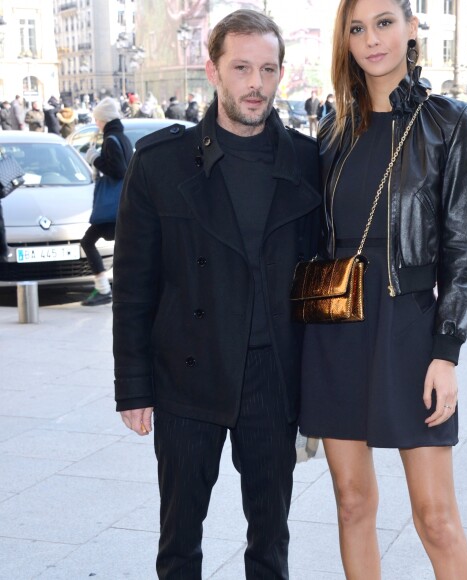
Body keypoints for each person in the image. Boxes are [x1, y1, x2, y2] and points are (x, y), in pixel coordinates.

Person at [112, 9, 320, 579]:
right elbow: (133, 284)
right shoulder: (160, 163)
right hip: (186, 375)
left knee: (270, 541)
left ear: (281, 74)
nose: (256, 84)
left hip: (272, 378)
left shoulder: (307, 160)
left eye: (268, 70)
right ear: (214, 70)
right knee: (179, 540)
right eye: (242, 68)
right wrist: (133, 386)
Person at [299, 1, 467, 578]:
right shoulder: (331, 133)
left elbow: (463, 248)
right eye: (357, 28)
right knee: (352, 502)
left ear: (410, 28)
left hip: (407, 328)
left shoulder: (449, 124)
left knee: (435, 516)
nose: (371, 39)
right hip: (334, 328)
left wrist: (446, 351)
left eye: (384, 22)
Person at [81, 97, 133, 306]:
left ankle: (103, 288)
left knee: (88, 242)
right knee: (123, 245)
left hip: (112, 204)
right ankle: (119, 288)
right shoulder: (122, 137)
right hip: (123, 202)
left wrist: (95, 159)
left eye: (97, 120)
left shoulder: (111, 139)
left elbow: (118, 170)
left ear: (104, 120)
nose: (96, 124)